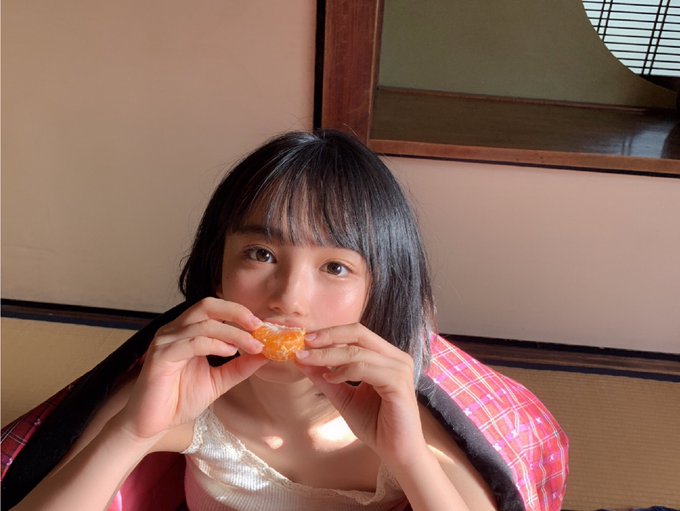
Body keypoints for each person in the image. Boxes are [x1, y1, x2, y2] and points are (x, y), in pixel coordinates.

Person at [3, 130, 568, 511]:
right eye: (261, 254)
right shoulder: (181, 394)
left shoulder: (404, 415)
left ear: (379, 290)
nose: (288, 301)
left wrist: (408, 457)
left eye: (336, 267)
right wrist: (133, 433)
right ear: (217, 268)